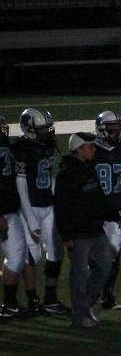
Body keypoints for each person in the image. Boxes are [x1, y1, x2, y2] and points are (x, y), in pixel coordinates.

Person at [54, 133, 120, 328]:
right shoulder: (66, 174)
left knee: (105, 266)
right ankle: (79, 314)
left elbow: (99, 198)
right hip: (79, 233)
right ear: (79, 149)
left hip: (95, 229)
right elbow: (61, 206)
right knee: (80, 275)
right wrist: (66, 235)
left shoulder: (88, 169)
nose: (93, 150)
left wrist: (116, 216)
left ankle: (85, 306)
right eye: (89, 147)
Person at [14, 109, 66, 315]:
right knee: (32, 254)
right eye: (42, 128)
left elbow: (47, 175)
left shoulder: (45, 144)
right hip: (31, 205)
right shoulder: (21, 148)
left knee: (55, 251)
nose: (47, 131)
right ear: (29, 129)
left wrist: (55, 196)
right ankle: (32, 298)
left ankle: (50, 298)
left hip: (47, 203)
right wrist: (29, 216)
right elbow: (20, 182)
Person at [93, 110, 121, 311]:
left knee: (113, 252)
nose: (117, 134)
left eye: (119, 129)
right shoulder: (90, 150)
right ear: (101, 130)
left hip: (118, 210)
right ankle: (92, 294)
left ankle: (107, 294)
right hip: (96, 210)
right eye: (112, 130)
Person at [0, 117, 25, 316]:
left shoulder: (7, 145)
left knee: (16, 257)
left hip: (10, 210)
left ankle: (9, 303)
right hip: (3, 212)